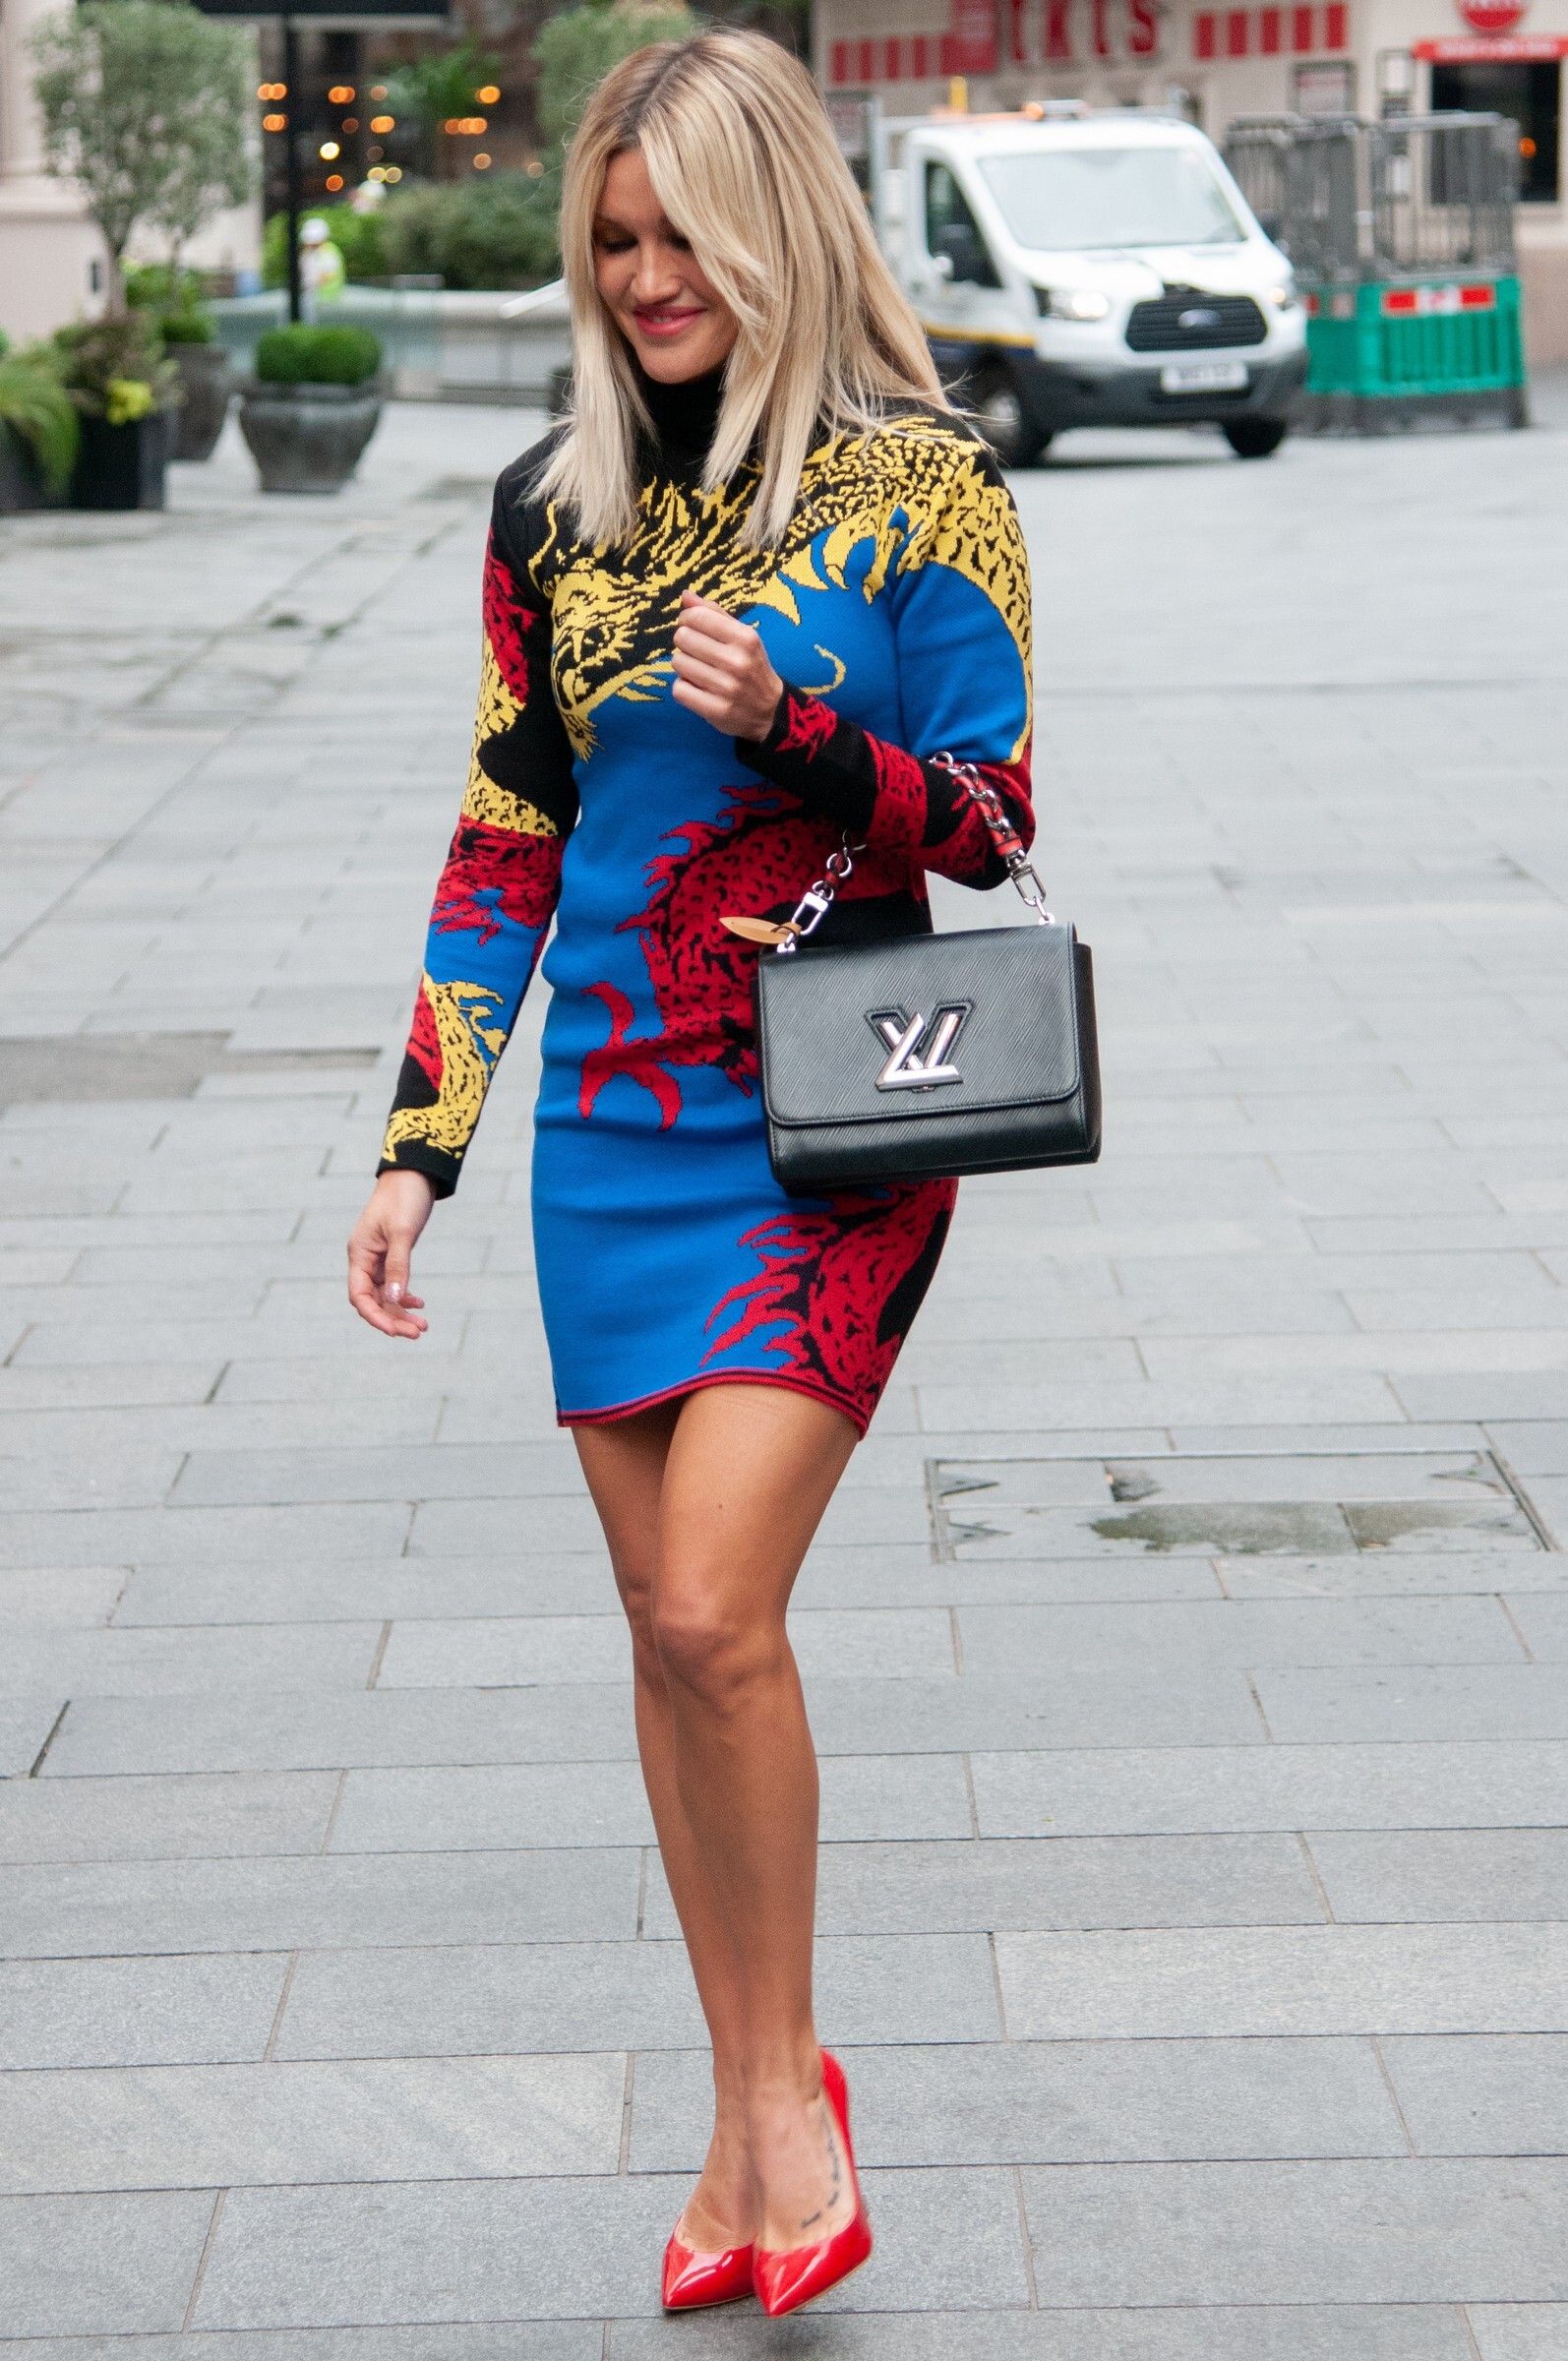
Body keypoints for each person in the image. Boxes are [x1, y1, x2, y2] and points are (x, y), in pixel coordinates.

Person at [347, 28, 1033, 2319]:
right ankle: (757, 2106)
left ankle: (778, 2121)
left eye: (682, 239)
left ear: (774, 231)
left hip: (831, 1125)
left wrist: (799, 734)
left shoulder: (923, 485)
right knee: (665, 1634)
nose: (644, 277)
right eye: (613, 241)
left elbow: (994, 820)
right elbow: (506, 830)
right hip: (606, 1139)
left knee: (715, 1612)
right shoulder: (549, 505)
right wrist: (421, 1143)